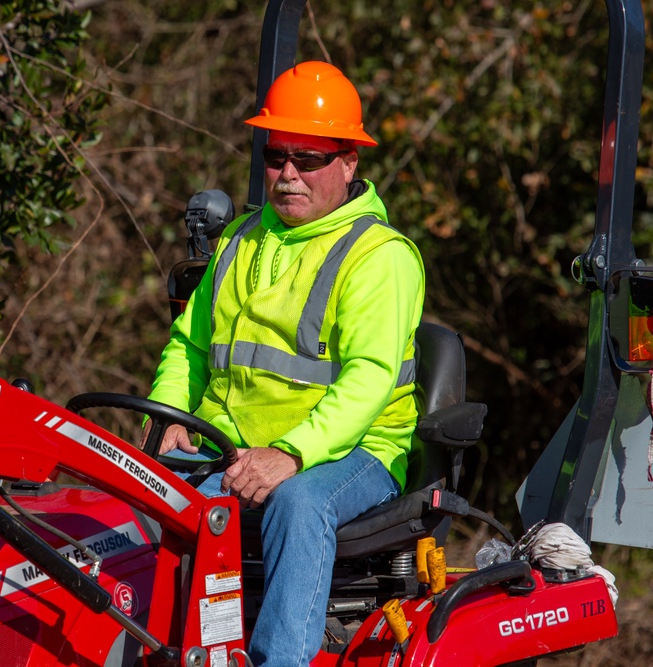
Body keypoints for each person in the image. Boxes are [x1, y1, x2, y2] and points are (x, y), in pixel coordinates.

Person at [143, 61, 425, 667]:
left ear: (350, 162)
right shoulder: (241, 241)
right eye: (277, 157)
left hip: (353, 455)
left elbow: (367, 380)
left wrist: (291, 454)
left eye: (310, 159)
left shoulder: (380, 258)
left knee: (298, 503)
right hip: (233, 445)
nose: (289, 175)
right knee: (137, 484)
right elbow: (189, 347)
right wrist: (170, 416)